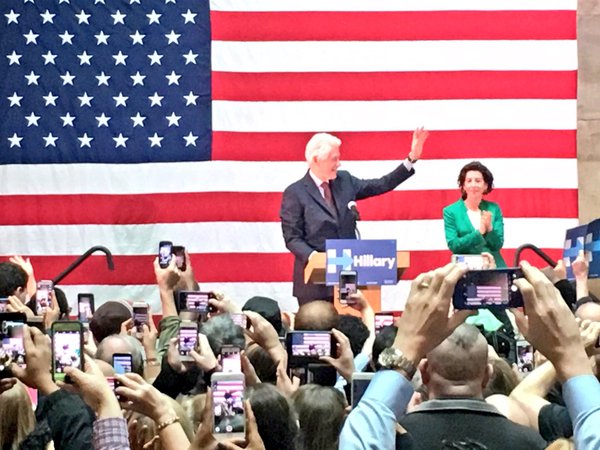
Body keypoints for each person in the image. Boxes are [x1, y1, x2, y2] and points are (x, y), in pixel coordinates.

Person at [280, 128, 429, 305]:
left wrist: (411, 158)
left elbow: (381, 184)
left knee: (349, 328)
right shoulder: (295, 193)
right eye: (334, 159)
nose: (339, 163)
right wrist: (314, 257)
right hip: (315, 285)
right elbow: (292, 238)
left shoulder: (345, 181)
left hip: (347, 279)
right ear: (315, 160)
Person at [442, 161, 514, 339]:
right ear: (463, 185)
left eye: (478, 181)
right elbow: (454, 245)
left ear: (486, 185)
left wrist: (489, 230)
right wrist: (478, 233)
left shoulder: (493, 209)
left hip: (492, 273)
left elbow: (498, 244)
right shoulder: (451, 212)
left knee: (504, 323)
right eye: (469, 180)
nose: (474, 185)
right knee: (464, 319)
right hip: (466, 274)